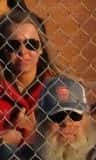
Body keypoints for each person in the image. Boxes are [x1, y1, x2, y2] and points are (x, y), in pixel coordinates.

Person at [0, 4, 55, 149]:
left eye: (31, 44)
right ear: (3, 50)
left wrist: (30, 134)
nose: (23, 51)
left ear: (41, 48)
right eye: (13, 45)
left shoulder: (56, 88)